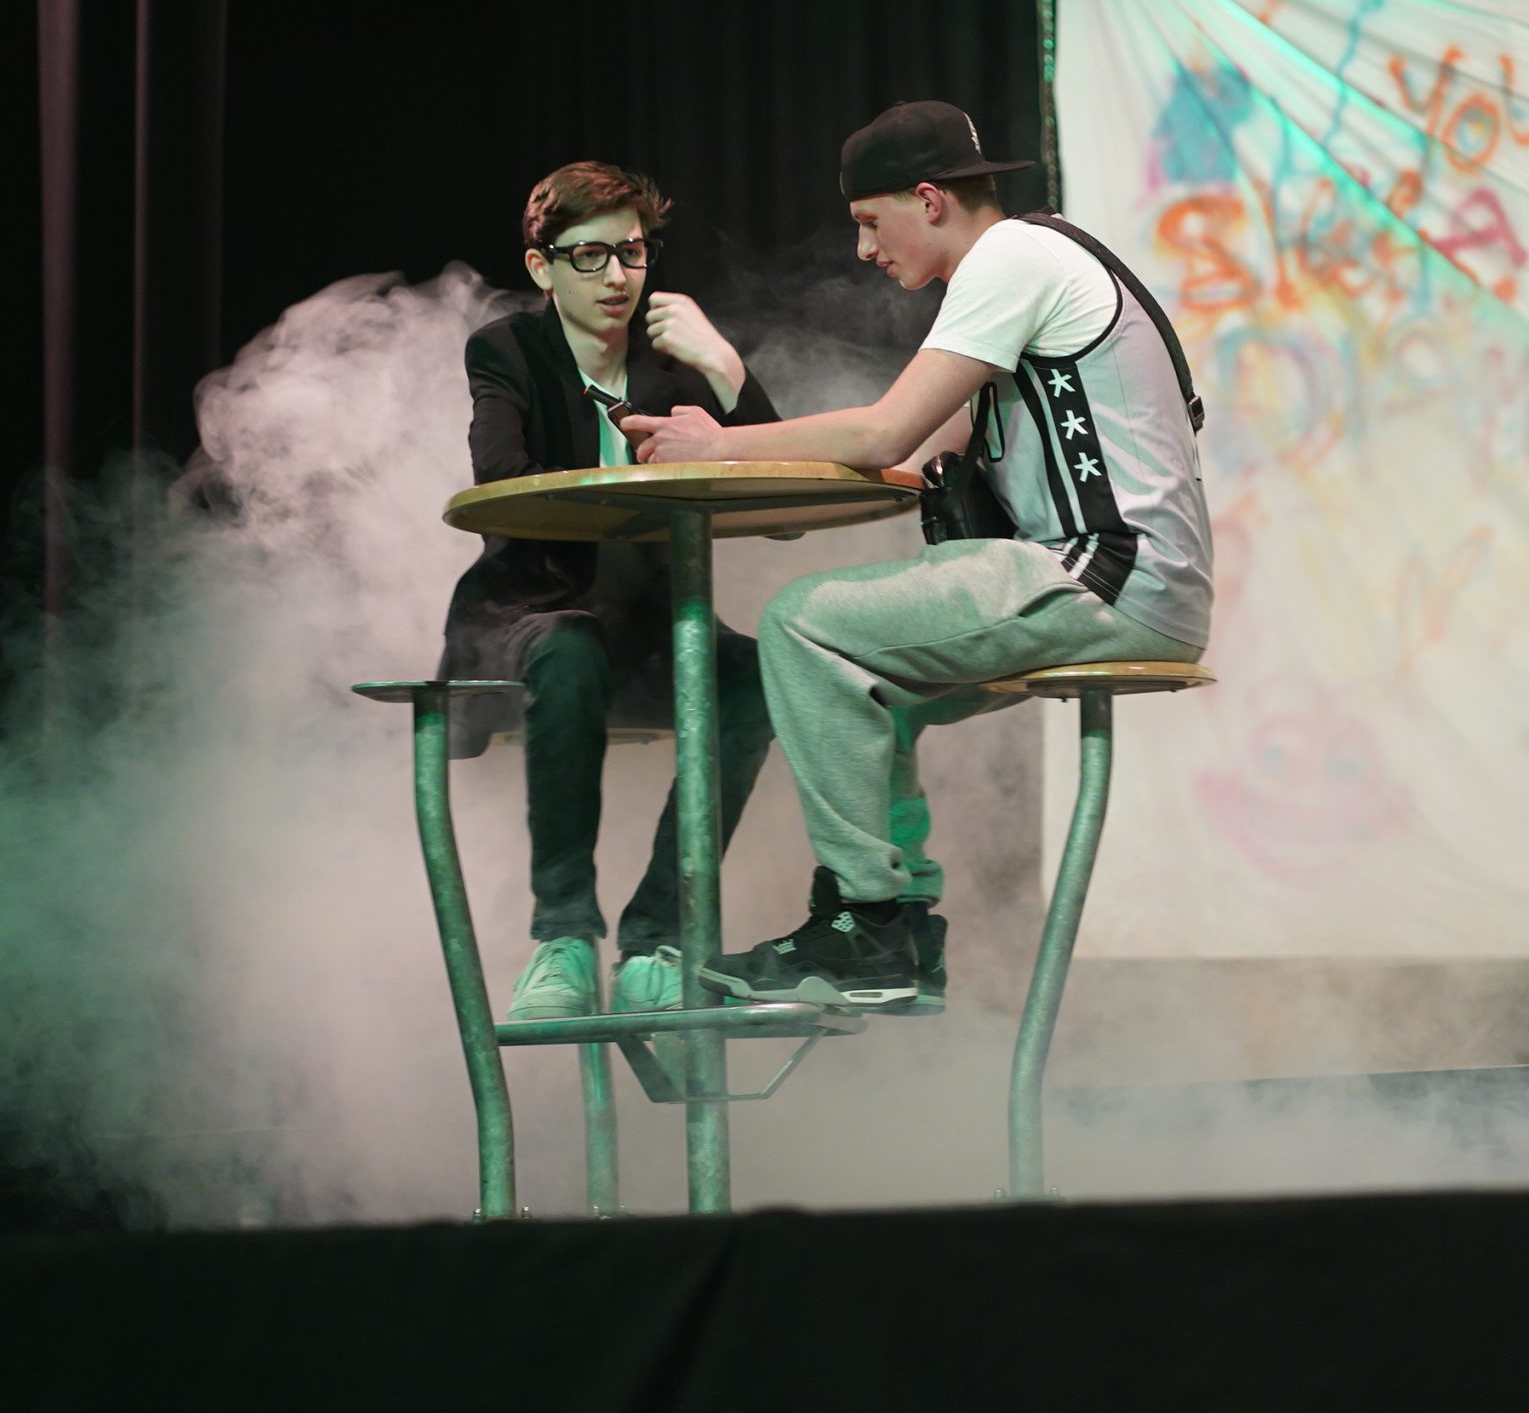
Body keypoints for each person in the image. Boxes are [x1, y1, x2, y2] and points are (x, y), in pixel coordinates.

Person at [624, 102, 1213, 1009]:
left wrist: (718, 447)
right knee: (870, 683)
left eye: (870, 221)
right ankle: (897, 928)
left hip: (1106, 576)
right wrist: (735, 390)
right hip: (1128, 580)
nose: (864, 249)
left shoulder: (1013, 258)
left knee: (799, 624)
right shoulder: (1035, 262)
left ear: (929, 200)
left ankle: (867, 922)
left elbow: (882, 432)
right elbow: (907, 462)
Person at [437, 161, 779, 1018]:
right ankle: (561, 939)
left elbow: (779, 504)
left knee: (761, 673)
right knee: (570, 646)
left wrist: (725, 368)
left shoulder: (673, 363)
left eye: (632, 252)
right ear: (542, 267)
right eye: (589, 256)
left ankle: (659, 935)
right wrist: (631, 480)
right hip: (531, 612)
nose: (618, 276)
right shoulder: (508, 350)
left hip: (650, 626)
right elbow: (500, 476)